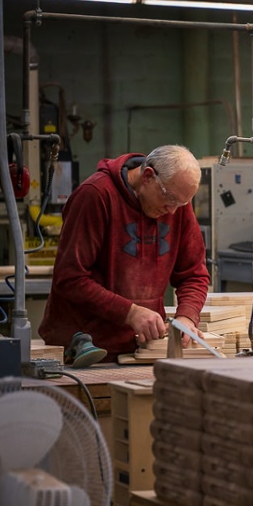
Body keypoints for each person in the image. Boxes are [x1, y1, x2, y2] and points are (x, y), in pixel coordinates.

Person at [40, 144, 210, 365]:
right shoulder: (96, 195)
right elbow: (70, 278)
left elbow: (194, 274)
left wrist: (187, 317)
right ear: (148, 176)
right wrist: (129, 313)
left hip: (141, 350)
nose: (172, 211)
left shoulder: (175, 204)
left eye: (182, 203)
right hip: (84, 350)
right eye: (169, 199)